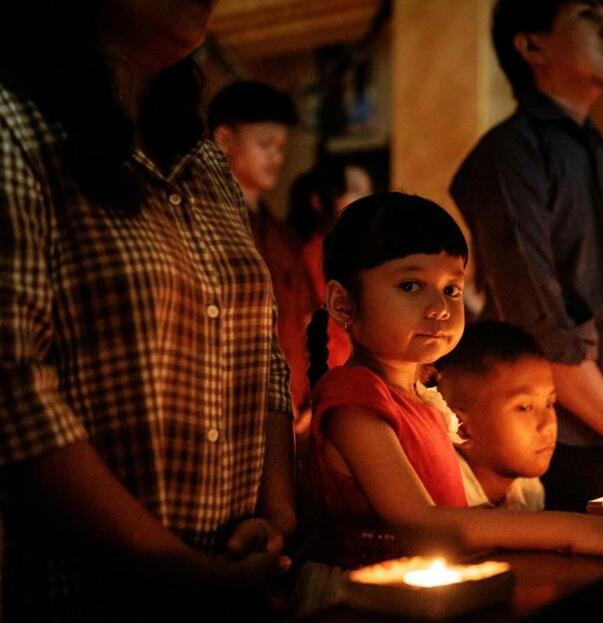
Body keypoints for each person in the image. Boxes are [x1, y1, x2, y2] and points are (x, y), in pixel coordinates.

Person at [0, 1, 296, 621]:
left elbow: (262, 356)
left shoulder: (205, 162)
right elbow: (12, 383)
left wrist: (275, 517)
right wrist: (167, 564)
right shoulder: (17, 129)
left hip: (236, 583)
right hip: (87, 594)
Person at [303, 192, 603, 575]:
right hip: (369, 601)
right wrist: (574, 530)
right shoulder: (353, 398)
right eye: (411, 286)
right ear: (343, 303)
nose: (440, 307)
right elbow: (421, 525)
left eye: (451, 288)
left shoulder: (422, 395)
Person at [450, 0, 603, 512]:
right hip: (560, 443)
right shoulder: (509, 154)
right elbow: (537, 315)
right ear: (532, 45)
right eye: (585, 13)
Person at [209, 81, 316, 435]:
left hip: (293, 410)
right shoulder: (206, 225)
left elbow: (307, 320)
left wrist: (314, 390)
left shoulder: (283, 236)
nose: (277, 158)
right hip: (233, 412)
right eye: (265, 144)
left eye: (281, 147)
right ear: (224, 140)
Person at [435, 321, 556, 511]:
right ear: (462, 427)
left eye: (549, 404)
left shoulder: (526, 488)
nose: (548, 425)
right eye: (524, 407)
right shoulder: (441, 496)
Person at [286, 158, 373, 371]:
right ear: (319, 201)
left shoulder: (358, 253)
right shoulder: (311, 255)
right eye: (350, 190)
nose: (360, 199)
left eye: (366, 191)